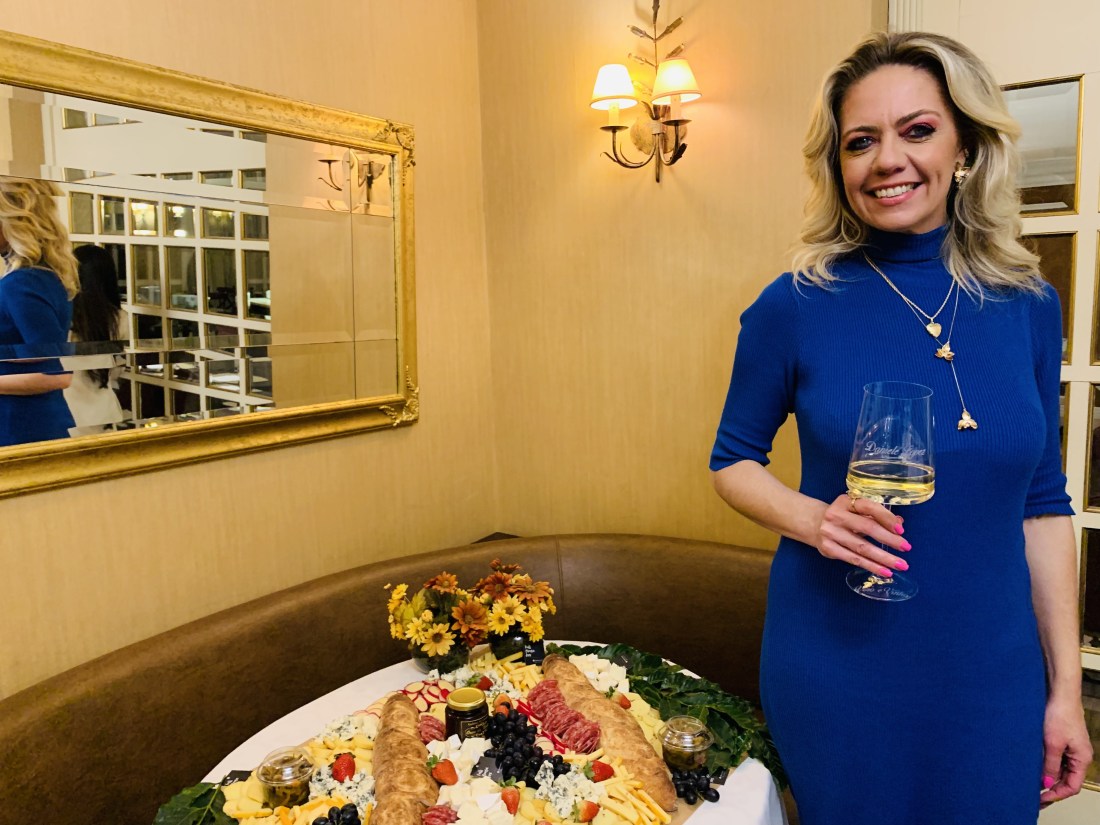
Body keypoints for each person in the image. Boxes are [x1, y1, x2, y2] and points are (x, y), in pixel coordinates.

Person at [709, 32, 1092, 824]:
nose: (889, 159)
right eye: (861, 141)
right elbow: (732, 460)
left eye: (918, 130)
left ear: (965, 147)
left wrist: (1064, 690)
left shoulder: (1028, 304)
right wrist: (814, 520)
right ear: (838, 165)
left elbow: (1044, 503)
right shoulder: (795, 304)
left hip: (992, 672)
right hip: (840, 667)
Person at [0, 176, 77, 446]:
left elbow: (56, 374)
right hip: (29, 422)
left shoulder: (22, 283)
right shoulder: (42, 277)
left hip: (20, 427)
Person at [64, 244, 126, 431]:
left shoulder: (62, 314)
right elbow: (116, 369)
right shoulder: (119, 318)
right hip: (103, 410)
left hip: (67, 408)